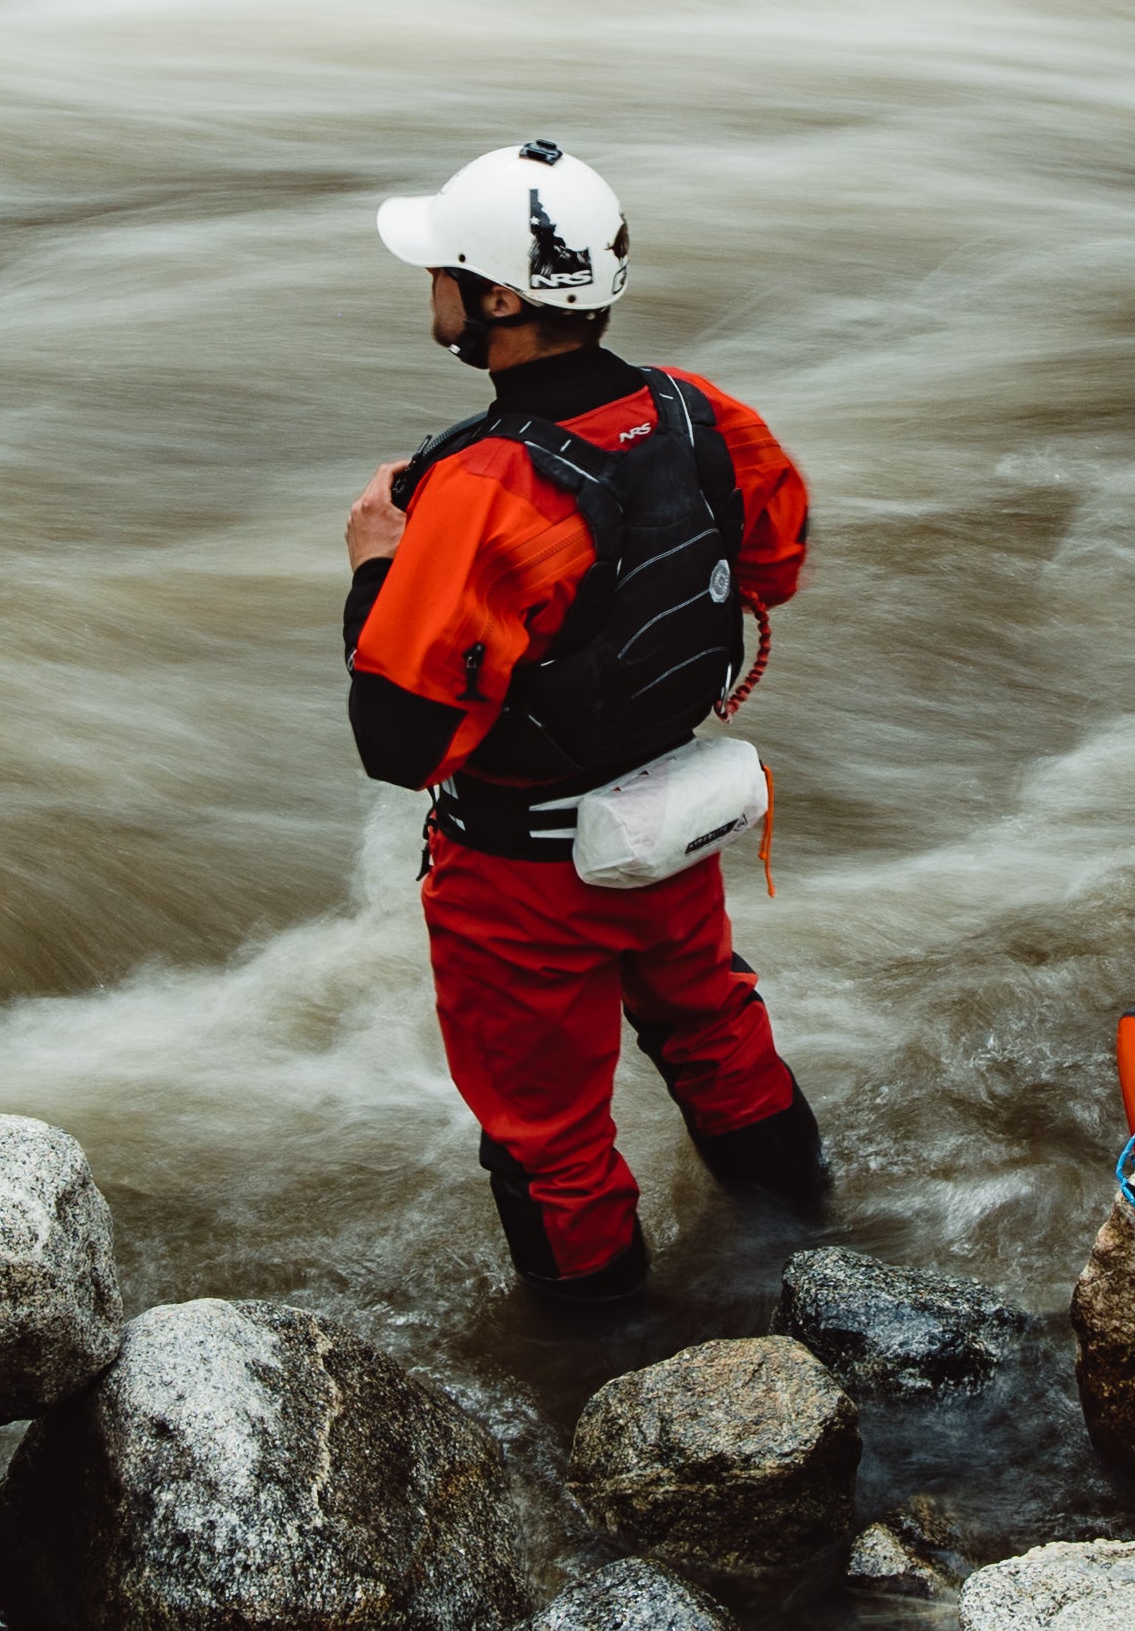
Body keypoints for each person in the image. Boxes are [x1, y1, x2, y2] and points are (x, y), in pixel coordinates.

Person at [343, 138, 825, 1311]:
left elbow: (397, 743)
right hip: (667, 821)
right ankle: (811, 1245)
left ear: (498, 299)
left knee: (546, 1138)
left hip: (521, 880)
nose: (432, 291)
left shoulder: (480, 489)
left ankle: (600, 1367)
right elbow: (775, 561)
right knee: (712, 1025)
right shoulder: (698, 410)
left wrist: (374, 567)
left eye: (442, 271)